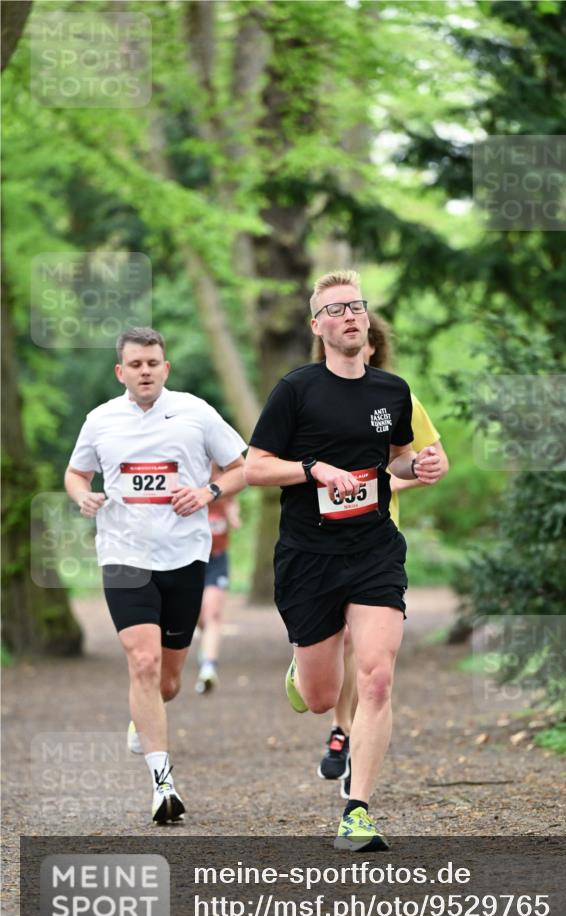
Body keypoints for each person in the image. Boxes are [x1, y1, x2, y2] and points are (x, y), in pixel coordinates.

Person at [245, 270, 447, 851]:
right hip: (308, 556)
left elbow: (398, 459)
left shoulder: (393, 391)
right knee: (320, 698)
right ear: (318, 326)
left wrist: (419, 467)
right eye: (335, 310)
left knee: (377, 677)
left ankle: (357, 811)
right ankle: (303, 666)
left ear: (366, 320)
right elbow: (255, 467)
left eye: (355, 306)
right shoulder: (296, 390)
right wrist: (312, 469)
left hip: (374, 548)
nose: (349, 315)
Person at [64, 327, 246, 823]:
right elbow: (76, 473)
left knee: (167, 682)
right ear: (120, 372)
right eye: (135, 364)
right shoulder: (100, 420)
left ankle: (142, 718)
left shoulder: (197, 413)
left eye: (152, 363)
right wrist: (83, 496)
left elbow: (240, 467)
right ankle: (163, 785)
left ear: (165, 368)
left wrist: (208, 492)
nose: (145, 371)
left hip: (185, 556)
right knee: (142, 663)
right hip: (123, 555)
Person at [311, 313, 448, 797]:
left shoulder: (397, 398)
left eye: (367, 339)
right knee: (337, 645)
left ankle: (346, 737)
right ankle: (331, 706)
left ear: (374, 347)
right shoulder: (311, 396)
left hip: (376, 541)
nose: (359, 345)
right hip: (320, 544)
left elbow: (429, 459)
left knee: (369, 656)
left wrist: (402, 477)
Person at [195, 464, 241, 694]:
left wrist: (231, 513)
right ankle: (206, 643)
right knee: (197, 616)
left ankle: (208, 668)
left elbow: (235, 519)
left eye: (218, 470)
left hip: (216, 560)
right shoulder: (191, 488)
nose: (215, 475)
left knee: (213, 612)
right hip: (191, 561)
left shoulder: (226, 491)